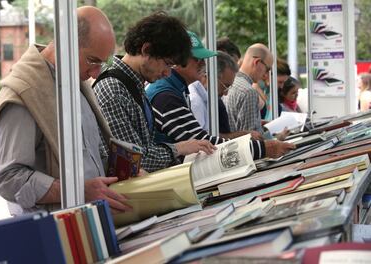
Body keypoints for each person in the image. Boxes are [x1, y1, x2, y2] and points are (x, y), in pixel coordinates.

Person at [0, 7, 132, 216]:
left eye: (102, 63)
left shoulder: (75, 84)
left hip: (90, 220)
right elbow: (8, 179)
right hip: (52, 231)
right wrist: (76, 191)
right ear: (66, 43)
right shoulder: (23, 92)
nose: (95, 73)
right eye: (92, 61)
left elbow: (93, 157)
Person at [93, 12, 216, 173]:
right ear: (146, 49)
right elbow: (133, 160)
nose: (167, 73)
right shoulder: (114, 89)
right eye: (167, 64)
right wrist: (178, 148)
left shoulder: (133, 85)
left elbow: (142, 149)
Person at [146, 32, 295, 159]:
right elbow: (202, 143)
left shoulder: (177, 90)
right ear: (176, 60)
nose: (203, 63)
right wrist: (263, 149)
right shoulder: (166, 95)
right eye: (197, 59)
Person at [223, 43, 274, 133]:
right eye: (267, 69)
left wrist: (258, 123)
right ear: (257, 62)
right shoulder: (248, 92)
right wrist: (277, 137)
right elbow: (251, 141)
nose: (266, 75)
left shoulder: (230, 82)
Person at [189, 51, 238, 135]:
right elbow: (203, 141)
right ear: (209, 77)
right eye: (225, 86)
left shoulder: (204, 98)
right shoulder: (196, 102)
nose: (226, 93)